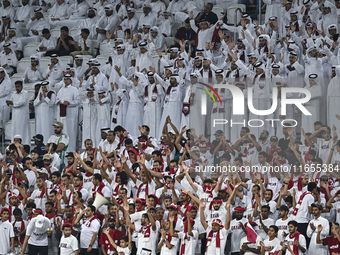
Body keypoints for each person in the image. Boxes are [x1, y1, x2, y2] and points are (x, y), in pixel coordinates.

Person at [56, 74, 80, 153]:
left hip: (71, 114)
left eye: (67, 79)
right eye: (65, 79)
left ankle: (71, 149)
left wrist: (69, 103)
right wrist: (58, 102)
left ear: (70, 80)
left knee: (71, 131)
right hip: (62, 114)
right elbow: (57, 99)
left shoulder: (74, 89)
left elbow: (77, 101)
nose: (66, 81)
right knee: (63, 130)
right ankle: (63, 148)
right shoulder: (61, 90)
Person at [6, 80, 31, 145]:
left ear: (22, 86)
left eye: (18, 86)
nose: (17, 88)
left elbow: (23, 102)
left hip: (23, 116)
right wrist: (8, 103)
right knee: (15, 129)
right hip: (15, 116)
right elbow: (11, 101)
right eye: (16, 87)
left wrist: (12, 103)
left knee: (23, 130)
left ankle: (24, 144)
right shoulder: (13, 94)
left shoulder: (25, 93)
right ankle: (14, 144)